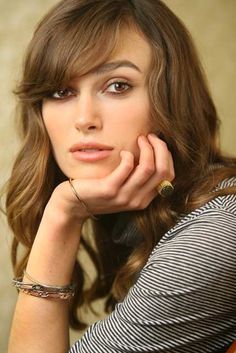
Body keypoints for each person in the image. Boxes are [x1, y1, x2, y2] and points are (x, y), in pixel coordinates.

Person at [5, 0, 236, 352]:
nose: (84, 118)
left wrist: (62, 215)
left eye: (117, 86)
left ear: (171, 99)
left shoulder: (214, 233)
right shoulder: (149, 212)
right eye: (61, 92)